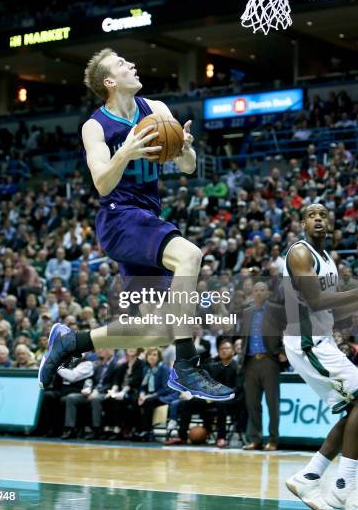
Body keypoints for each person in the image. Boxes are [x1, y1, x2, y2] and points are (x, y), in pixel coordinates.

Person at [39, 48, 234, 403]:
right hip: (118, 217)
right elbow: (101, 183)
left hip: (147, 217)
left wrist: (186, 147)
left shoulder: (157, 110)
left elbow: (188, 166)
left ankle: (71, 341)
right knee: (189, 255)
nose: (131, 64)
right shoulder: (95, 126)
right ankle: (186, 364)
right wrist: (125, 152)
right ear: (109, 82)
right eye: (121, 64)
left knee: (156, 331)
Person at [284, 204, 358, 510]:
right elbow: (314, 301)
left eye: (323, 215)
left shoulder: (329, 260)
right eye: (312, 215)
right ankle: (343, 485)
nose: (318, 219)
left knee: (354, 411)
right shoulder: (300, 253)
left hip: (322, 341)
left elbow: (335, 308)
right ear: (303, 223)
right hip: (306, 342)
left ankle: (310, 476)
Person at [241, 282, 287, 452]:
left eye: (262, 290)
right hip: (250, 361)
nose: (259, 293)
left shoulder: (276, 310)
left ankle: (273, 440)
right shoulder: (246, 312)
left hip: (269, 360)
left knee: (272, 403)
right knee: (252, 403)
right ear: (252, 293)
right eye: (256, 290)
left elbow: (289, 329)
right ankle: (255, 439)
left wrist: (284, 351)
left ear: (267, 293)